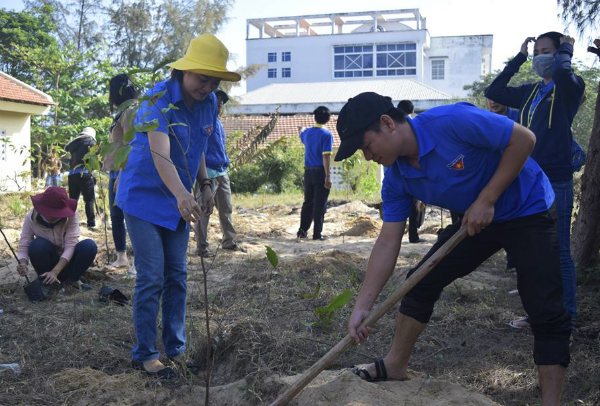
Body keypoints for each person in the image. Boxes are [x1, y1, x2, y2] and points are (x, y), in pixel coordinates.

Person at [336, 92, 570, 406]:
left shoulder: (452, 122)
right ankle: (395, 365)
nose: (367, 157)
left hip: (528, 209)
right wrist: (363, 305)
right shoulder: (396, 178)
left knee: (544, 309)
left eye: (366, 147)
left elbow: (524, 140)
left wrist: (487, 200)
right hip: (474, 221)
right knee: (418, 282)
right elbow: (388, 241)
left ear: (387, 123)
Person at [115, 33, 240, 379]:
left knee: (178, 276)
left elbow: (198, 146)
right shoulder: (157, 98)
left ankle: (176, 348)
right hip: (143, 197)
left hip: (179, 198)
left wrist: (204, 184)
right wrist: (182, 194)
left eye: (214, 80)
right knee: (153, 276)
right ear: (185, 71)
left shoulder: (209, 102)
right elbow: (160, 153)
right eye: (203, 78)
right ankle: (146, 354)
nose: (208, 86)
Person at [485, 32, 585, 328]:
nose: (541, 57)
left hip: (557, 179)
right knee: (533, 250)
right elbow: (495, 89)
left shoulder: (570, 87)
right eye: (537, 52)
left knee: (561, 252)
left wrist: (567, 49)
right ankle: (538, 312)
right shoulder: (530, 91)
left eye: (548, 52)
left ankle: (566, 316)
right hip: (528, 180)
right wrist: (519, 57)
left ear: (559, 55)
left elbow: (564, 73)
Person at [194, 89, 245, 257]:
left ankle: (229, 241)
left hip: (222, 170)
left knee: (226, 208)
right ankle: (201, 247)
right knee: (203, 211)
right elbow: (199, 149)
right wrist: (203, 179)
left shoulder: (218, 122)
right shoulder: (201, 120)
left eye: (222, 103)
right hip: (206, 172)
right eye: (217, 102)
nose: (220, 105)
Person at [16, 186, 97, 290]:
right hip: (48, 261)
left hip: (67, 262)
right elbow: (24, 244)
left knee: (89, 246)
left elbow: (71, 245)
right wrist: (23, 264)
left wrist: (55, 271)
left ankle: (73, 279)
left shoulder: (72, 216)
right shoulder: (30, 218)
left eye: (55, 213)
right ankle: (46, 280)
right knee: (37, 245)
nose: (50, 216)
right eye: (48, 212)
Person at [103, 74, 138, 273]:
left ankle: (136, 261)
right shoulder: (122, 111)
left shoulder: (131, 111)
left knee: (130, 215)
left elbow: (132, 146)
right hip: (115, 172)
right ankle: (122, 258)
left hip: (124, 172)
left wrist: (124, 174)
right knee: (116, 216)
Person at [297, 106, 334, 241]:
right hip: (320, 172)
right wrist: (328, 177)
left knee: (308, 202)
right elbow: (326, 157)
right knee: (320, 204)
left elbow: (301, 133)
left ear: (315, 117)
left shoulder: (307, 133)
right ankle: (317, 234)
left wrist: (300, 128)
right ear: (328, 119)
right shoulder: (327, 135)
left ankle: (302, 231)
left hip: (308, 172)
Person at [398, 100, 425, 243]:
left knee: (398, 206)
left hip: (396, 171)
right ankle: (413, 236)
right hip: (412, 170)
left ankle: (397, 235)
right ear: (412, 110)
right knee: (414, 205)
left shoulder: (393, 125)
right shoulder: (413, 124)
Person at [65, 127, 97, 229]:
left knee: (73, 200)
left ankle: (69, 223)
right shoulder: (90, 141)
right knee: (89, 200)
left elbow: (67, 149)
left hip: (72, 174)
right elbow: (95, 159)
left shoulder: (74, 143)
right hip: (85, 173)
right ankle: (91, 223)